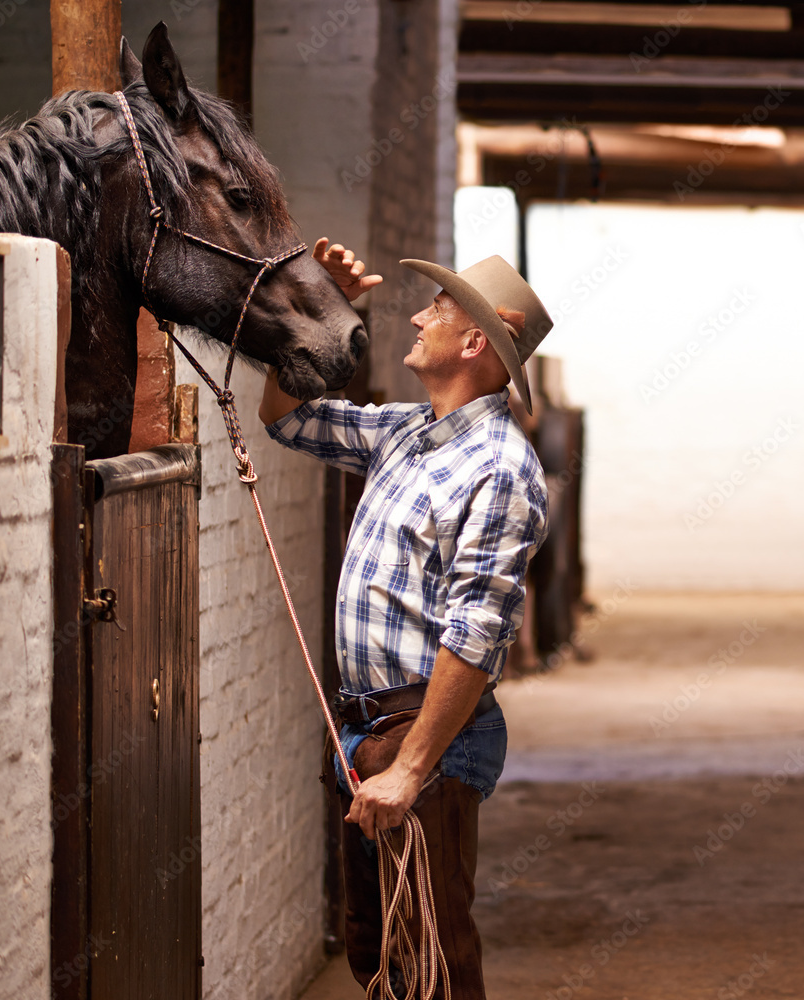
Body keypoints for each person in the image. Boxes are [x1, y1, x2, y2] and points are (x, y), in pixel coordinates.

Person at [259, 238, 553, 999]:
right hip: (367, 732)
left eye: (438, 309)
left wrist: (411, 769)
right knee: (379, 951)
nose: (418, 317)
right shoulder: (405, 431)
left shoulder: (500, 468)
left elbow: (475, 636)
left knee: (434, 956)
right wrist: (317, 306)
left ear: (475, 341)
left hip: (424, 740)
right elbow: (286, 419)